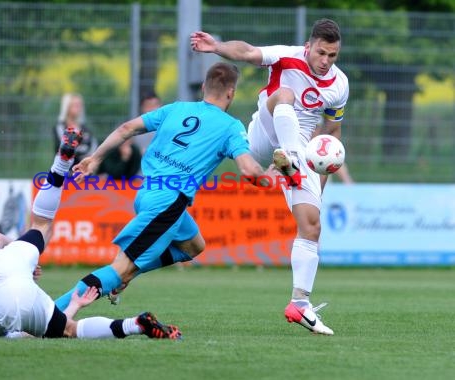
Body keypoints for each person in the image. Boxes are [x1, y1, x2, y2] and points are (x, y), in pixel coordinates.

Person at [54, 62, 278, 310]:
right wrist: (268, 177)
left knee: (194, 246)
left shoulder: (176, 108)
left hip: (147, 193)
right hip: (168, 203)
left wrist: (95, 159)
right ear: (231, 93)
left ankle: (128, 274)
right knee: (120, 268)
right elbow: (248, 169)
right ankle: (53, 311)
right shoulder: (231, 127)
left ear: (204, 87)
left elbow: (126, 128)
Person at [190, 18, 349, 335]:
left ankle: (300, 304)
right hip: (266, 132)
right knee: (285, 94)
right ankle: (286, 160)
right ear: (309, 46)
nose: (325, 61)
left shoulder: (340, 85)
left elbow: (331, 134)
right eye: (321, 53)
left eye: (332, 56)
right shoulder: (287, 55)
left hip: (302, 149)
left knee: (311, 225)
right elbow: (247, 52)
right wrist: (216, 47)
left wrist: (319, 186)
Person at [0, 127, 181, 340]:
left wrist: (69, 303)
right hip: (3, 276)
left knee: (66, 328)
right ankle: (60, 165)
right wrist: (74, 303)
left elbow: (21, 335)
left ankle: (136, 324)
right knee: (41, 226)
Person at [54, 93, 98, 165]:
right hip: (63, 171)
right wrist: (84, 150)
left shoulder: (85, 129)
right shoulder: (60, 127)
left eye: (80, 105)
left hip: (82, 171)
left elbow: (94, 148)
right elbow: (66, 149)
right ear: (67, 107)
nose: (79, 108)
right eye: (75, 105)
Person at [132, 91, 162, 155]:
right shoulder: (133, 129)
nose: (153, 109)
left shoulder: (168, 127)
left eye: (156, 105)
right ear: (142, 108)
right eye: (149, 105)